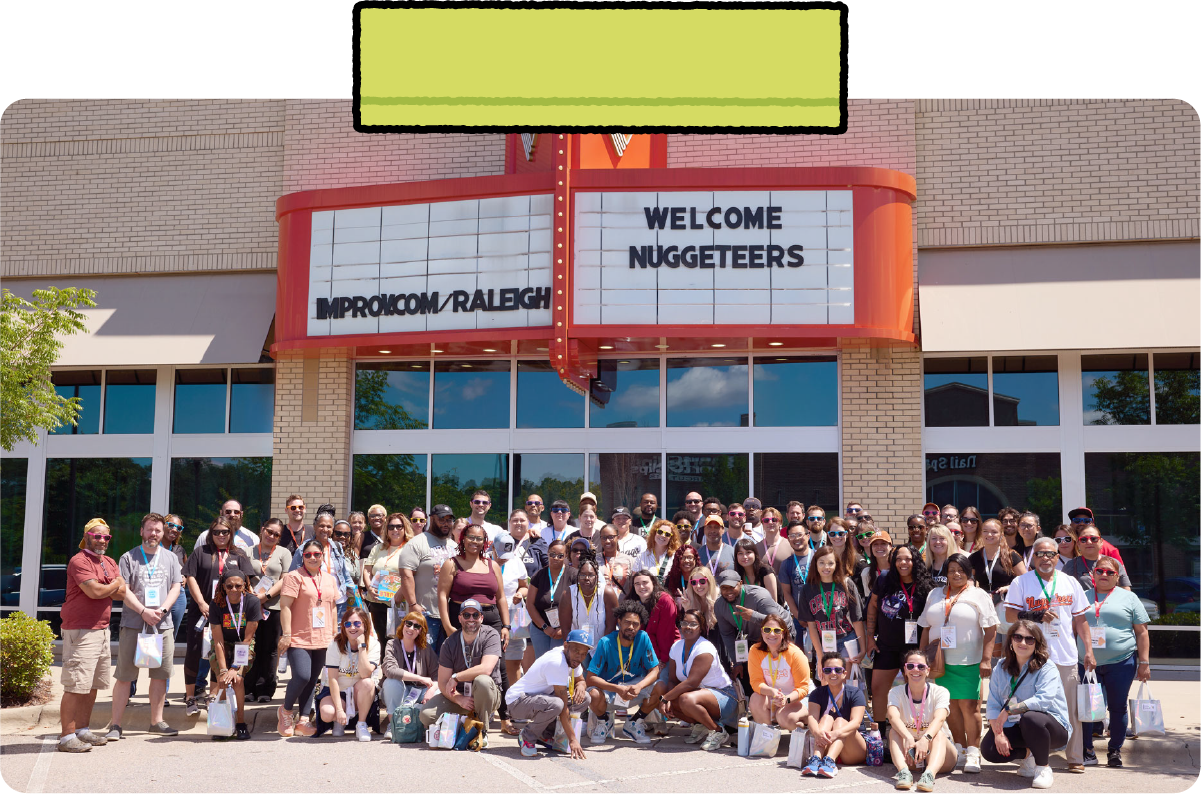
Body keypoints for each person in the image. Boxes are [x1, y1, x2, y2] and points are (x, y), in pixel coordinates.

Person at [1005, 537, 1096, 773]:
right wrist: (1036, 614)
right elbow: (1009, 615)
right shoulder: (1021, 582)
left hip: (1065, 656)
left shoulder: (1070, 582)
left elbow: (1081, 620)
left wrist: (1089, 651)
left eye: (1051, 554)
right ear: (1033, 558)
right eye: (1041, 554)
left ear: (1058, 557)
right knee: (1033, 710)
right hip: (1032, 657)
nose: (1046, 558)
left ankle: (1075, 756)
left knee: (1070, 709)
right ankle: (1033, 757)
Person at [917, 552, 998, 773]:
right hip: (939, 662)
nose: (956, 573)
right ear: (946, 572)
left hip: (969, 661)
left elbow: (991, 629)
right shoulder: (935, 594)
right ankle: (960, 749)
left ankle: (973, 752)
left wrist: (986, 659)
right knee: (949, 708)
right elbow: (925, 627)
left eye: (961, 570)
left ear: (969, 572)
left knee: (969, 707)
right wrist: (922, 657)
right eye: (951, 569)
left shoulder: (978, 594)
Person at [107, 513, 182, 741]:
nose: (154, 534)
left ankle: (156, 721)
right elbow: (123, 590)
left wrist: (163, 611)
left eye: (158, 530)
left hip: (162, 624)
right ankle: (115, 725)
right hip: (134, 624)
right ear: (141, 531)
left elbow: (176, 586)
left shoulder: (170, 558)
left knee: (159, 675)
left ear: (163, 533)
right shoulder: (128, 558)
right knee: (125, 675)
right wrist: (143, 611)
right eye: (150, 529)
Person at [57, 518, 125, 753]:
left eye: (106, 537)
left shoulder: (108, 561)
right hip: (81, 630)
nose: (102, 540)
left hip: (101, 629)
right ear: (87, 536)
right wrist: (114, 583)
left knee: (92, 685)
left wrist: (112, 585)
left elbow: (122, 593)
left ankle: (82, 730)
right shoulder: (79, 560)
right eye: (97, 536)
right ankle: (67, 737)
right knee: (76, 684)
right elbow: (95, 592)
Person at [437, 522, 513, 730]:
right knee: (462, 662)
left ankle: (505, 718)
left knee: (500, 666)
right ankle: (464, 707)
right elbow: (442, 596)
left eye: (479, 538)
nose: (475, 542)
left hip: (490, 617)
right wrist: (447, 625)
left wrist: (506, 625)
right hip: (462, 617)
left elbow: (501, 598)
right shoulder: (451, 564)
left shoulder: (492, 565)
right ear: (462, 539)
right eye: (471, 537)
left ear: (485, 542)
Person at [1077, 555, 1150, 767]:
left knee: (1117, 708)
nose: (1104, 575)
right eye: (1100, 571)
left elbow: (1142, 632)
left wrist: (1144, 663)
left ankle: (1114, 751)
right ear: (1093, 575)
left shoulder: (1129, 598)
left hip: (1121, 662)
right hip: (1087, 663)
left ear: (1117, 577)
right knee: (1088, 707)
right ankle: (1087, 750)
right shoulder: (1082, 597)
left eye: (1110, 572)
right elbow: (1072, 628)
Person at [982, 620, 1071, 789]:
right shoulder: (1000, 668)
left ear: (1037, 644)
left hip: (1051, 728)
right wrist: (998, 733)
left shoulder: (1047, 667)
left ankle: (1043, 768)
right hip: (1018, 725)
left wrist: (1009, 710)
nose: (1023, 643)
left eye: (1029, 639)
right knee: (989, 749)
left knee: (1031, 718)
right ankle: (1029, 755)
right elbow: (993, 704)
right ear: (1011, 641)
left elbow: (1043, 701)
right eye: (1018, 637)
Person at [182, 517, 256, 715]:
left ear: (231, 533)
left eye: (225, 532)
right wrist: (201, 603)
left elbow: (247, 583)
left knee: (218, 652)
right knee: (194, 652)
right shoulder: (201, 552)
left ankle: (213, 695)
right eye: (216, 532)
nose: (221, 535)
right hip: (202, 610)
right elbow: (190, 577)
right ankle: (190, 697)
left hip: (228, 613)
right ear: (210, 534)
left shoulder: (238, 554)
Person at [865, 544, 931, 743]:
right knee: (877, 689)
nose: (903, 563)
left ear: (915, 561)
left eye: (908, 559)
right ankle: (879, 734)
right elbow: (873, 607)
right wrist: (870, 637)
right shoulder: (885, 579)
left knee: (916, 690)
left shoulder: (925, 583)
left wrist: (924, 649)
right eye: (899, 559)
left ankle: (916, 730)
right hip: (886, 644)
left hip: (914, 649)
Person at [277, 539, 339, 737]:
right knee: (302, 676)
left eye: (316, 554)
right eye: (308, 555)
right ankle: (286, 711)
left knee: (313, 679)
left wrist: (335, 632)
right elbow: (285, 606)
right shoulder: (294, 577)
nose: (312, 558)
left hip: (323, 636)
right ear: (302, 557)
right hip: (299, 636)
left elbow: (333, 606)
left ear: (322, 556)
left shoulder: (329, 579)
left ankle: (303, 720)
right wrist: (286, 634)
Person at [419, 598, 503, 740]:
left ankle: (482, 731)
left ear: (481, 618)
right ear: (459, 618)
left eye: (475, 615)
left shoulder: (491, 635)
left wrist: (456, 677)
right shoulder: (449, 643)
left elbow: (486, 668)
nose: (471, 619)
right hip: (461, 695)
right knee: (426, 715)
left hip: (487, 695)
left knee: (482, 681)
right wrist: (459, 699)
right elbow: (443, 682)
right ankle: (464, 724)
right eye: (466, 615)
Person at [657, 608, 737, 750]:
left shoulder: (705, 648)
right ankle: (701, 726)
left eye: (693, 624)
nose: (687, 627)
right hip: (699, 694)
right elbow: (672, 680)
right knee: (674, 700)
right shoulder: (676, 646)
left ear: (701, 628)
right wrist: (669, 700)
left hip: (725, 695)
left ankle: (718, 731)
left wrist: (665, 698)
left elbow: (692, 682)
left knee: (685, 699)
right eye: (684, 623)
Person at [584, 601, 663, 744]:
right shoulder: (605, 642)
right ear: (619, 621)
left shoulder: (643, 637)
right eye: (627, 622)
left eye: (636, 624)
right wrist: (617, 689)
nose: (631, 627)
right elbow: (590, 678)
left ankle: (634, 722)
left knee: (661, 686)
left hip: (634, 689)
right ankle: (604, 722)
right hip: (611, 691)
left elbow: (655, 670)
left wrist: (639, 686)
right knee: (592, 694)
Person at [507, 628, 591, 759]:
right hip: (517, 702)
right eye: (576, 651)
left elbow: (581, 680)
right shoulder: (557, 662)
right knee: (557, 704)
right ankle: (527, 736)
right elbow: (563, 708)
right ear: (566, 645)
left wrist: (581, 685)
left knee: (584, 698)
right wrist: (573, 740)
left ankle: (545, 734)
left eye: (584, 653)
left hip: (539, 699)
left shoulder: (573, 659)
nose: (579, 656)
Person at [886, 649, 958, 791]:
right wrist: (907, 737)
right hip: (912, 751)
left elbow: (940, 718)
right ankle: (904, 773)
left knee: (939, 734)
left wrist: (925, 739)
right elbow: (892, 717)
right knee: (894, 732)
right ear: (905, 670)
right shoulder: (895, 692)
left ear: (927, 671)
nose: (916, 670)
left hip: (940, 752)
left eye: (921, 667)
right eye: (911, 666)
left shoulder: (941, 691)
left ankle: (929, 775)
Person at [397, 503, 459, 654]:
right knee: (422, 658)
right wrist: (413, 604)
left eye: (449, 520)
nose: (446, 523)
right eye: (442, 519)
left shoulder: (454, 546)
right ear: (431, 519)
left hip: (449, 614)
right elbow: (406, 575)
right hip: (425, 614)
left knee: (445, 661)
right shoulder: (417, 543)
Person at [207, 569, 261, 740]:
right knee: (223, 680)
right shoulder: (216, 604)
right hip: (223, 643)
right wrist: (224, 671)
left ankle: (240, 723)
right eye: (229, 586)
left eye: (238, 585)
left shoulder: (252, 602)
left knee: (237, 679)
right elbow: (218, 641)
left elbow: (247, 638)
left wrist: (235, 668)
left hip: (243, 643)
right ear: (223, 587)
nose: (234, 590)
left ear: (245, 585)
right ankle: (222, 723)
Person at [714, 570, 789, 691]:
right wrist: (737, 663)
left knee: (778, 674)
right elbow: (727, 635)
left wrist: (753, 616)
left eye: (732, 587)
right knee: (748, 675)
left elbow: (778, 624)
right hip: (753, 637)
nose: (728, 592)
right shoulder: (719, 605)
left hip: (781, 633)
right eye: (724, 588)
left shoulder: (759, 595)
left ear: (740, 583)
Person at [315, 606, 380, 741]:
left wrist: (362, 647)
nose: (352, 628)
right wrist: (339, 709)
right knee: (327, 713)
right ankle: (338, 721)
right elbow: (332, 679)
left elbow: (365, 674)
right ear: (343, 627)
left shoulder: (373, 644)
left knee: (368, 683)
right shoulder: (335, 644)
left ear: (365, 625)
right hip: (337, 690)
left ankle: (361, 724)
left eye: (357, 623)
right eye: (348, 624)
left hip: (359, 692)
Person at [246, 517, 292, 703]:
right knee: (251, 647)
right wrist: (253, 597)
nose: (271, 536)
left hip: (273, 606)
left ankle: (266, 689)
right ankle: (248, 688)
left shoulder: (283, 553)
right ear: (262, 529)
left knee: (271, 649)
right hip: (250, 606)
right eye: (269, 531)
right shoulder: (248, 551)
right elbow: (245, 576)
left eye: (276, 534)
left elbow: (285, 579)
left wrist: (266, 597)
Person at [803, 652, 868, 778]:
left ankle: (830, 762)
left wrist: (836, 733)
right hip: (827, 744)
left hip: (853, 750)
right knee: (826, 718)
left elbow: (856, 723)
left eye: (838, 670)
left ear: (844, 673)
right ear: (822, 673)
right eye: (828, 670)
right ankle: (816, 759)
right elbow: (812, 718)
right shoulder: (816, 693)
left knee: (840, 721)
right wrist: (817, 733)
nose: (833, 673)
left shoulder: (855, 693)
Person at [969, 518, 1027, 656]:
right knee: (991, 647)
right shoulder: (975, 557)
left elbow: (1025, 580)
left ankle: (1010, 675)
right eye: (986, 531)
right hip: (984, 604)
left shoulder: (1011, 555)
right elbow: (969, 581)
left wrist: (1009, 587)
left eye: (994, 532)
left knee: (1009, 647)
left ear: (1001, 534)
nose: (989, 535)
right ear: (981, 534)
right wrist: (976, 591)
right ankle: (991, 676)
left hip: (1007, 604)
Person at [799, 546, 866, 665]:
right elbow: (812, 625)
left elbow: (857, 619)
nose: (826, 567)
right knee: (828, 679)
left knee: (849, 680)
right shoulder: (807, 589)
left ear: (836, 564)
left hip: (847, 641)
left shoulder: (846, 584)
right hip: (823, 643)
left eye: (830, 563)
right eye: (822, 563)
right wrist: (820, 656)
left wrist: (863, 648)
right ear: (815, 564)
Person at [287, 509, 355, 624]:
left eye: (329, 527)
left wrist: (353, 592)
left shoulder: (337, 547)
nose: (325, 530)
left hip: (338, 601)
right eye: (321, 526)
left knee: (337, 635)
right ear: (314, 527)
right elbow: (293, 575)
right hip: (315, 602)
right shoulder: (304, 549)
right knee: (316, 633)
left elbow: (344, 573)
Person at [380, 610, 439, 739]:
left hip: (419, 691)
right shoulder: (392, 644)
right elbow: (390, 670)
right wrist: (419, 678)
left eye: (417, 626)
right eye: (409, 624)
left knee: (438, 692)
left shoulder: (425, 648)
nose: (411, 628)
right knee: (391, 682)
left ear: (421, 631)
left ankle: (423, 726)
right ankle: (393, 725)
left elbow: (437, 675)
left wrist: (432, 689)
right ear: (403, 624)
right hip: (399, 691)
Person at [748, 613, 812, 730]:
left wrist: (786, 700)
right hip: (774, 697)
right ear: (762, 632)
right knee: (755, 699)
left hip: (798, 698)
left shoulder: (795, 654)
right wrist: (772, 692)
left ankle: (806, 726)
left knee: (785, 718)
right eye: (767, 630)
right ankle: (767, 738)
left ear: (783, 633)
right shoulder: (755, 651)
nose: (771, 634)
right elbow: (756, 682)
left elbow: (803, 688)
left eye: (776, 631)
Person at [363, 513, 411, 648]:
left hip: (398, 603)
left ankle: (398, 668)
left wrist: (400, 593)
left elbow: (413, 574)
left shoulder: (410, 548)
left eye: (399, 526)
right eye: (391, 527)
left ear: (405, 528)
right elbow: (367, 570)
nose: (395, 530)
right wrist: (369, 588)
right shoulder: (378, 547)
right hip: (376, 601)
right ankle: (385, 669)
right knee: (381, 641)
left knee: (399, 640)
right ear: (386, 529)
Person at [560, 553, 619, 652]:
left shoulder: (607, 594)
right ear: (578, 576)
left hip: (602, 647)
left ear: (596, 577)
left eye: (590, 575)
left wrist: (602, 651)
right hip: (577, 647)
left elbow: (611, 627)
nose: (586, 578)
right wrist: (572, 651)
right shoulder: (568, 594)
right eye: (583, 575)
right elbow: (565, 629)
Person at [527, 539, 576, 657]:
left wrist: (563, 628)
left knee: (559, 662)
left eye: (560, 556)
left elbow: (577, 606)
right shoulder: (539, 575)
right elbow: (530, 604)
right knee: (542, 663)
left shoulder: (574, 575)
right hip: (540, 628)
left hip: (564, 629)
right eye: (552, 554)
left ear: (565, 556)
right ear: (547, 553)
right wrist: (544, 627)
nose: (555, 558)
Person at [629, 570, 679, 668]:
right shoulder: (633, 603)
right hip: (646, 657)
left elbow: (665, 635)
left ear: (654, 583)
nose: (641, 587)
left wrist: (660, 660)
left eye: (645, 583)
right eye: (637, 584)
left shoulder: (665, 601)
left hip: (668, 655)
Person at [1062, 524, 1133, 591]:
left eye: (1093, 539)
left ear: (1101, 542)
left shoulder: (1114, 563)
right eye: (1084, 539)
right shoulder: (1070, 565)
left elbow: (1125, 589)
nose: (1089, 542)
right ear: (1078, 544)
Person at [779, 519, 816, 644]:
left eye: (799, 534)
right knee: (802, 656)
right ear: (788, 539)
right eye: (792, 536)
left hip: (821, 617)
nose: (796, 539)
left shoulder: (818, 558)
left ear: (807, 535)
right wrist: (798, 616)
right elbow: (787, 593)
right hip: (800, 620)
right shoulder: (786, 564)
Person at [193, 500, 260, 552]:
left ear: (241, 514)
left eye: (236, 512)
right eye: (228, 512)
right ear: (221, 513)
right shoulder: (205, 536)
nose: (232, 515)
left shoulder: (252, 538)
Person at [162, 514, 189, 641]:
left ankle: (167, 660)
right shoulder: (153, 547)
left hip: (178, 595)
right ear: (163, 525)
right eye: (171, 525)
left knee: (172, 634)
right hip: (159, 593)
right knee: (156, 630)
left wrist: (185, 578)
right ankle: (151, 660)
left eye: (179, 528)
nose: (174, 529)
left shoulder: (179, 550)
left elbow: (188, 572)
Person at [633, 518, 678, 586]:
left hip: (668, 595)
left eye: (667, 534)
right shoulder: (641, 556)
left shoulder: (675, 557)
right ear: (654, 533)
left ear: (671, 538)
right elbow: (634, 581)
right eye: (660, 532)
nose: (663, 535)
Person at [596, 523, 635, 599]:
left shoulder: (629, 560)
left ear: (618, 537)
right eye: (604, 537)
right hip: (600, 606)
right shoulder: (594, 560)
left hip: (622, 606)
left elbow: (633, 586)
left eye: (611, 537)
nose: (607, 541)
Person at [734, 537, 778, 601]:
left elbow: (774, 604)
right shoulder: (737, 574)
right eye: (740, 553)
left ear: (755, 554)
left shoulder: (766, 572)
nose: (744, 557)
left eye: (748, 552)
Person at [466, 489, 505, 555]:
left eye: (485, 503)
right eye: (477, 502)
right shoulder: (460, 525)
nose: (481, 505)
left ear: (489, 506)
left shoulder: (496, 531)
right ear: (471, 504)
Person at [754, 507, 788, 578]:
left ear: (780, 523)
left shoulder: (790, 545)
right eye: (766, 520)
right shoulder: (756, 547)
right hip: (763, 588)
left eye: (774, 520)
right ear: (762, 524)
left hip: (784, 588)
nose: (770, 522)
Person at [860, 530, 894, 600]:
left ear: (890, 546)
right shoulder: (866, 573)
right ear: (871, 548)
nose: (879, 547)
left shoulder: (898, 569)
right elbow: (869, 601)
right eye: (875, 544)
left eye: (883, 543)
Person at [664, 544, 701, 608]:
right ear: (677, 561)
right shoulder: (671, 580)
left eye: (690, 557)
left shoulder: (701, 579)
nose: (686, 560)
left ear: (695, 559)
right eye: (682, 558)